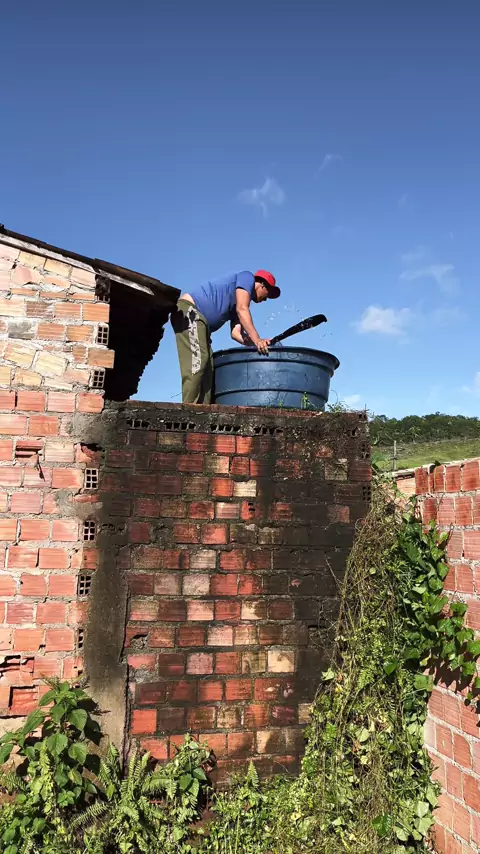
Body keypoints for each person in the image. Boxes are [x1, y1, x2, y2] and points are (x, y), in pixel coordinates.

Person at [171, 269, 280, 404]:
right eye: (268, 294)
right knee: (198, 362)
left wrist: (256, 343)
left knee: (208, 369)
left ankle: (201, 412)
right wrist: (258, 340)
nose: (266, 299)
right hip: (190, 312)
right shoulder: (247, 277)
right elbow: (242, 309)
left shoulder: (238, 300)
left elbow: (236, 333)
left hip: (201, 324)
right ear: (263, 284)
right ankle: (188, 410)